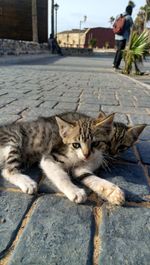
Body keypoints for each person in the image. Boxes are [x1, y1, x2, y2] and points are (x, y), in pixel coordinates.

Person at [113, 5, 133, 70]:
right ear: (130, 11)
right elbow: (133, 28)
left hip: (116, 36)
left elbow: (114, 25)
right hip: (123, 37)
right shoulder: (129, 17)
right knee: (120, 51)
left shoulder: (119, 15)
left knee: (117, 50)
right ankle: (116, 65)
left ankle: (114, 64)